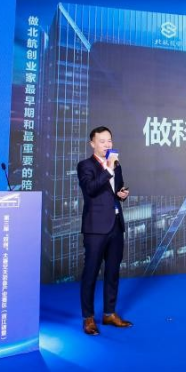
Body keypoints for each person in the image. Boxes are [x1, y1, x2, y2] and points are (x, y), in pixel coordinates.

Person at [77, 126, 133, 335]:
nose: (107, 145)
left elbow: (115, 191)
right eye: (102, 141)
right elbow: (90, 189)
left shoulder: (116, 165)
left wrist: (122, 194)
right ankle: (88, 318)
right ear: (92, 143)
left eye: (109, 140)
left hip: (116, 225)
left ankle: (109, 313)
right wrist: (108, 169)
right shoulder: (85, 165)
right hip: (95, 228)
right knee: (90, 273)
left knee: (113, 272)